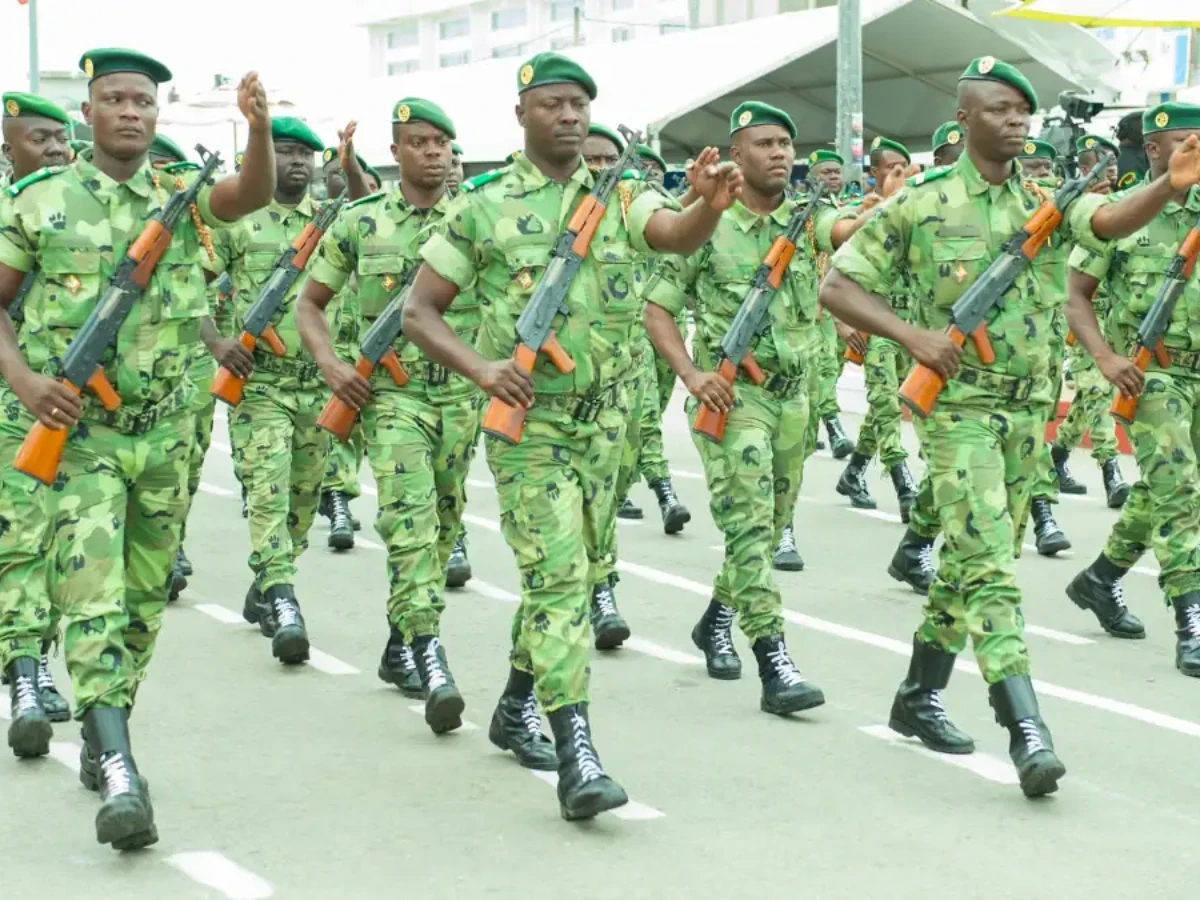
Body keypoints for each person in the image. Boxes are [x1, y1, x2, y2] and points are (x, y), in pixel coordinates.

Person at [820, 57, 1200, 796]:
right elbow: (839, 284)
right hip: (959, 411)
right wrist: (912, 337)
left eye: (1023, 112)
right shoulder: (921, 202)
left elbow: (1111, 223)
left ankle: (918, 695)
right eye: (1000, 110)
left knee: (972, 559)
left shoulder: (1045, 202)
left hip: (1028, 412)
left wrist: (1166, 185)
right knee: (992, 565)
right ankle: (1025, 726)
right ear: (965, 119)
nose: (1017, 122)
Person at [402, 52, 742, 820]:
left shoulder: (619, 195)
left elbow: (673, 233)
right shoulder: (482, 208)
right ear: (521, 113)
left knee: (578, 576)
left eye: (579, 104)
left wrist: (711, 207)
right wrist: (484, 369)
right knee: (557, 581)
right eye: (553, 104)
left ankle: (516, 702)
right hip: (531, 429)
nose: (569, 116)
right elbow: (419, 313)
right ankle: (577, 752)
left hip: (609, 426)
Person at [0, 48, 274, 848]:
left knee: (147, 600)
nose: (131, 112)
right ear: (86, 114)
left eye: (144, 102)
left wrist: (256, 129)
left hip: (168, 432)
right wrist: (23, 384)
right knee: (93, 598)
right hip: (79, 436)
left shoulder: (181, 201)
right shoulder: (38, 202)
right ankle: (120, 766)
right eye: (115, 100)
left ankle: (103, 727)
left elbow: (250, 193)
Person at [644, 101, 874, 711]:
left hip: (794, 399)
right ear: (736, 154)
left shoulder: (806, 218)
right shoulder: (704, 225)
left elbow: (844, 230)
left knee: (766, 532)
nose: (781, 154)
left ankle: (715, 621)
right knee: (747, 527)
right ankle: (774, 661)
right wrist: (691, 376)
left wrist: (878, 213)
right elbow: (657, 308)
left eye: (786, 144)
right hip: (733, 398)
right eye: (766, 143)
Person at [298, 98, 490, 735]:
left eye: (442, 142)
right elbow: (310, 303)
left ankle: (396, 640)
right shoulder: (362, 221)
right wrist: (330, 364)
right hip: (392, 399)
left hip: (462, 396)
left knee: (441, 527)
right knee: (408, 524)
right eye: (420, 142)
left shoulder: (478, 218)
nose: (433, 152)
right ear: (397, 149)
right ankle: (430, 655)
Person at [1065, 101, 1200, 664]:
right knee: (1180, 492)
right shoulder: (1121, 218)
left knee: (1165, 487)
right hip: (1152, 375)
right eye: (1186, 141)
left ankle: (1101, 577)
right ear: (1154, 149)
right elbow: (1075, 294)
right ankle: (1192, 618)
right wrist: (1102, 357)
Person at [222, 116, 328, 666]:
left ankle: (266, 582)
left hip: (317, 389)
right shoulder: (240, 222)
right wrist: (217, 343)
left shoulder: (331, 225)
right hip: (261, 385)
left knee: (303, 502)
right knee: (267, 490)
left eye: (305, 156)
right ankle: (284, 600)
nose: (296, 164)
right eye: (285, 152)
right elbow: (191, 283)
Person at [0, 91, 74, 731]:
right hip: (10, 394)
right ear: (8, 148)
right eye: (39, 138)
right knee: (20, 537)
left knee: (42, 537)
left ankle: (30, 659)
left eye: (61, 137)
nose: (54, 148)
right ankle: (25, 668)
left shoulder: (79, 213)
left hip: (49, 403)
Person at [836, 137, 920, 520]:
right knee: (886, 404)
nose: (899, 173)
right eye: (891, 167)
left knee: (890, 404)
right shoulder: (862, 214)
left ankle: (854, 472)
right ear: (874, 173)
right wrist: (843, 321)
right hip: (879, 324)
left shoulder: (918, 210)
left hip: (913, 326)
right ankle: (905, 484)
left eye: (905, 166)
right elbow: (835, 270)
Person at [617, 141, 693, 536]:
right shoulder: (617, 212)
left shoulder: (659, 212)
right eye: (641, 169)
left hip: (668, 327)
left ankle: (620, 485)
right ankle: (665, 493)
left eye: (656, 173)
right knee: (645, 416)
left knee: (648, 414)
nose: (649, 177)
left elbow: (684, 214)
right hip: (632, 331)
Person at [1050, 134, 1129, 509]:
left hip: (1114, 319)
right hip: (1079, 319)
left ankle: (1057, 456)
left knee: (1087, 397)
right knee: (1096, 392)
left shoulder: (1123, 207)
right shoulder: (1065, 206)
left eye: (1111, 165)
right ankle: (1111, 470)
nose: (1107, 172)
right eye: (1097, 164)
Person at [1015, 137, 1073, 556]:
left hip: (1048, 345)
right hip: (998, 351)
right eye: (1030, 168)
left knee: (1035, 430)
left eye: (1044, 169)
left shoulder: (1064, 213)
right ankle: (1043, 512)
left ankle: (917, 540)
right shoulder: (1003, 211)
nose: (1039, 178)